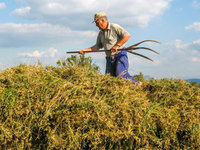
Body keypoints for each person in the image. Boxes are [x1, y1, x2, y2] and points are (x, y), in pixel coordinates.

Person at [79, 12, 138, 83]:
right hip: (109, 58)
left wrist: (118, 45)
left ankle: (137, 84)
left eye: (97, 23)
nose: (96, 25)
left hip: (120, 55)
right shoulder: (100, 33)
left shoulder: (114, 27)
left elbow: (127, 35)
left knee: (121, 75)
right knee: (109, 80)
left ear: (103, 20)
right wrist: (85, 50)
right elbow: (97, 46)